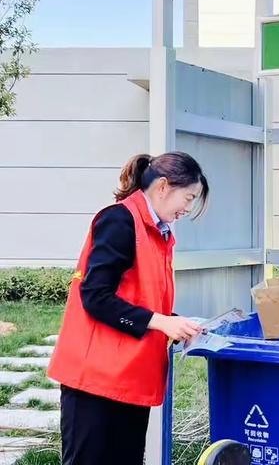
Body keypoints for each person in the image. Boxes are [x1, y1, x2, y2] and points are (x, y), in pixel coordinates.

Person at [48, 151, 209, 465]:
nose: (187, 209)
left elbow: (141, 298)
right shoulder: (120, 220)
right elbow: (94, 295)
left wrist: (175, 323)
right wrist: (160, 322)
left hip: (128, 377)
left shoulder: (156, 231)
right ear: (163, 186)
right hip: (95, 378)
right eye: (188, 197)